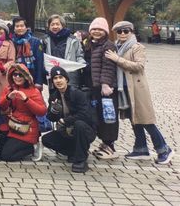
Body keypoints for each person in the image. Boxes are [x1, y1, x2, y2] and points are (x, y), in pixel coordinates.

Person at [105, 21, 174, 164]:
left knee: (146, 120)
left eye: (126, 31)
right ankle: (141, 148)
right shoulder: (116, 47)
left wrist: (117, 59)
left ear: (131, 32)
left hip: (137, 88)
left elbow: (139, 66)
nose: (122, 34)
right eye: (119, 31)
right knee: (134, 118)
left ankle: (163, 149)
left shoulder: (137, 47)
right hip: (124, 88)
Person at [42, 67, 96, 173]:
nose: (58, 80)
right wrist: (54, 110)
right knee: (47, 139)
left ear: (66, 79)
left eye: (61, 77)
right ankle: (73, 152)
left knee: (79, 124)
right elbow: (50, 118)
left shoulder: (78, 93)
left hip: (84, 130)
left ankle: (81, 160)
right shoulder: (54, 96)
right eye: (55, 78)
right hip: (66, 131)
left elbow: (85, 114)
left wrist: (66, 120)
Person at [85, 17, 119, 160]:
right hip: (95, 88)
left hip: (106, 90)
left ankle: (110, 146)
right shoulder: (91, 44)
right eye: (94, 29)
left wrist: (105, 84)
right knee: (99, 115)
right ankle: (105, 144)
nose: (96, 32)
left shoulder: (108, 45)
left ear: (105, 31)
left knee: (108, 117)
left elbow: (108, 67)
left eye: (100, 29)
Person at [0, 64, 47, 162]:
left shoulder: (34, 91)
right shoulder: (9, 89)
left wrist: (26, 100)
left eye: (20, 75)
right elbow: (2, 106)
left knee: (7, 156)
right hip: (12, 125)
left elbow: (42, 111)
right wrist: (8, 98)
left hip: (26, 128)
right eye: (15, 74)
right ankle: (24, 147)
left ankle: (33, 148)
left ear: (26, 77)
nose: (17, 77)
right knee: (0, 151)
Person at [43, 14, 86, 87]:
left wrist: (82, 64)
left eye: (57, 24)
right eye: (52, 24)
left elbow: (79, 55)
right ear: (49, 26)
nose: (55, 27)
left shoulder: (73, 40)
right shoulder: (45, 40)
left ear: (62, 25)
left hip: (70, 76)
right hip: (53, 76)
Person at [11, 16, 45, 90]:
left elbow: (40, 62)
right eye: (17, 26)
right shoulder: (11, 42)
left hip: (32, 77)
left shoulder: (36, 42)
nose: (19, 28)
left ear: (26, 27)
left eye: (22, 26)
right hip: (16, 78)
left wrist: (39, 81)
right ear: (14, 29)